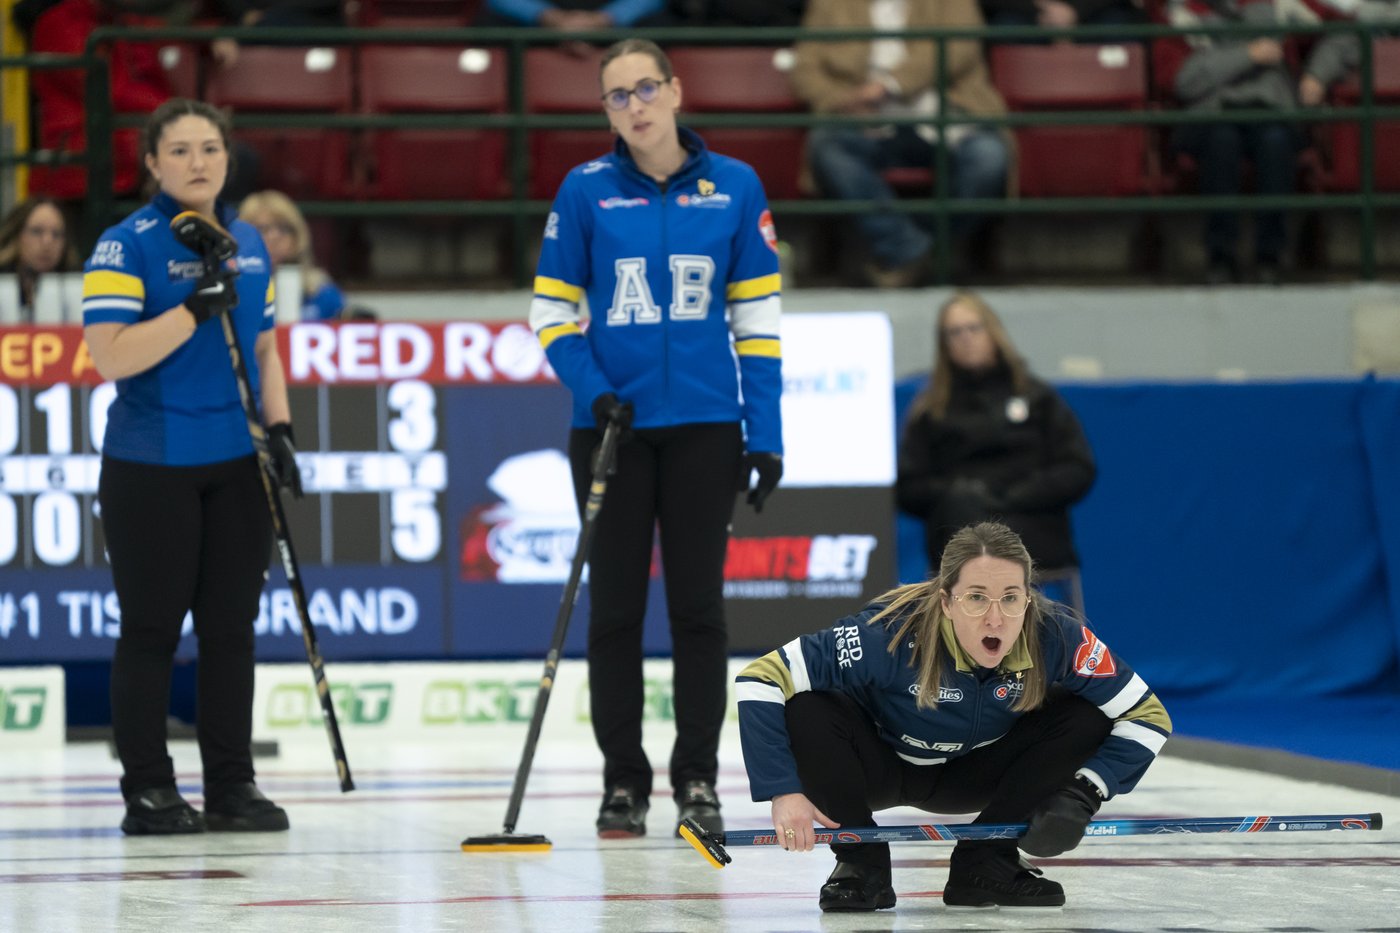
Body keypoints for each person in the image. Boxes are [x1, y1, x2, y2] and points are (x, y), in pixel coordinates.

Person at [527, 38, 784, 840]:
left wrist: (766, 432)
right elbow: (549, 315)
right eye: (616, 96)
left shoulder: (736, 187)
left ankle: (698, 777)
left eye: (645, 89)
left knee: (699, 612)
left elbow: (759, 326)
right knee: (616, 613)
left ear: (676, 91)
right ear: (604, 109)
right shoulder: (584, 191)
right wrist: (596, 391)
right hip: (612, 431)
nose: (634, 107)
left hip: (707, 428)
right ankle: (622, 782)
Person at [736, 521, 1172, 912]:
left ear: (1028, 598)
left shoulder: (1055, 635)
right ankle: (860, 863)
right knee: (806, 706)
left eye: (1011, 599)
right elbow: (760, 677)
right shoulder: (886, 633)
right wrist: (783, 790)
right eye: (976, 598)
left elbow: (1148, 715)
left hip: (977, 774)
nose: (995, 618)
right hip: (877, 769)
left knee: (1087, 714)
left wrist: (1084, 793)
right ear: (946, 601)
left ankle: (985, 863)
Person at [82, 98, 303, 836]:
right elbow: (109, 356)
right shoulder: (126, 245)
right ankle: (147, 787)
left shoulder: (246, 240)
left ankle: (232, 785)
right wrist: (189, 312)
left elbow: (266, 348)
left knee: (231, 629)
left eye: (210, 148)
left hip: (236, 463)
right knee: (150, 629)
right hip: (152, 463)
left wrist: (280, 430)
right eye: (178, 150)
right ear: (151, 163)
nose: (198, 163)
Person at [790, 0, 1012, 287]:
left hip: (946, 112)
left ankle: (916, 254)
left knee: (989, 157)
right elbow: (804, 70)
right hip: (864, 121)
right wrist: (848, 101)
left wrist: (888, 86)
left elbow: (961, 47)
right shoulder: (829, 4)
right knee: (828, 149)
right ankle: (913, 251)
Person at [896, 291, 1095, 578]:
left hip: (1030, 521)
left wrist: (1014, 495)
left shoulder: (1037, 397)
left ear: (993, 332)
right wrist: (958, 492)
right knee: (966, 526)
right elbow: (909, 487)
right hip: (958, 525)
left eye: (973, 328)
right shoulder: (931, 410)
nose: (965, 338)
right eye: (954, 332)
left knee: (984, 539)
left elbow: (1078, 468)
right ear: (944, 345)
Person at [1159, 0, 1356, 284]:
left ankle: (1271, 258)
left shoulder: (1284, 6)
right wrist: (1249, 54)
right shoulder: (1180, 12)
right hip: (1210, 114)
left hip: (1272, 109)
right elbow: (1181, 81)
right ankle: (1220, 258)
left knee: (1275, 142)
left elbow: (1347, 30)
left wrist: (1318, 74)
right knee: (1221, 141)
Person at [239, 190, 347, 321]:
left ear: (298, 235)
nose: (274, 237)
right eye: (262, 229)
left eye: (284, 228)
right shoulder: (230, 292)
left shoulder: (321, 292)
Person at [0, 196, 80, 322]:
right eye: (36, 231)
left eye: (56, 234)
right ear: (17, 236)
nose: (47, 242)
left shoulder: (78, 287)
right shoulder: (4, 284)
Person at [474, 0, 674, 28]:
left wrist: (603, 19)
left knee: (662, 25)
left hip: (613, 27)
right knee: (487, 24)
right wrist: (548, 17)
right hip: (540, 26)